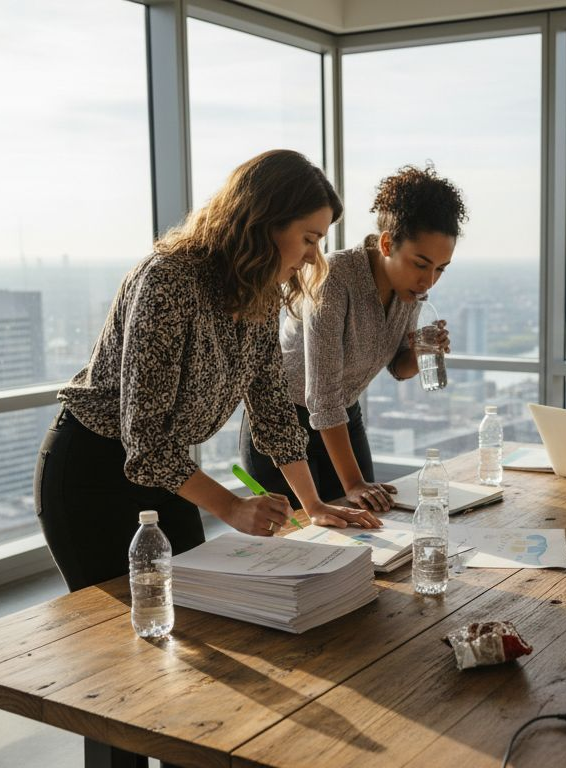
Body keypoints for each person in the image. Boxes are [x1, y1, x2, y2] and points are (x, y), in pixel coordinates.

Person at [36, 149, 380, 594]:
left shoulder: (261, 296)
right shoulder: (168, 281)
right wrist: (233, 508)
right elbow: (144, 440)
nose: (314, 258)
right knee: (121, 635)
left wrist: (312, 504)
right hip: (91, 473)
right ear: (264, 224)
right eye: (309, 239)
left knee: (195, 607)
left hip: (167, 472)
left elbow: (273, 411)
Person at [240, 164, 467, 512]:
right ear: (388, 243)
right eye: (421, 264)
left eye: (440, 268)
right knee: (294, 542)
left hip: (343, 417)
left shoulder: (410, 291)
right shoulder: (333, 278)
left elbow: (399, 369)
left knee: (369, 519)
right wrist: (354, 483)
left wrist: (421, 351)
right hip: (283, 421)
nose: (429, 281)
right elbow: (322, 395)